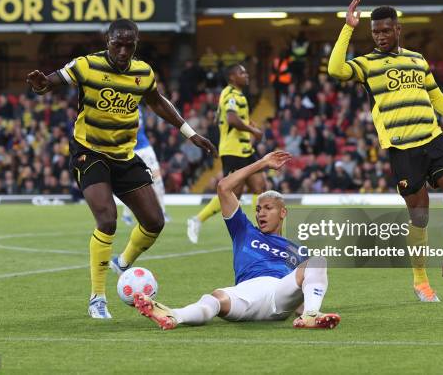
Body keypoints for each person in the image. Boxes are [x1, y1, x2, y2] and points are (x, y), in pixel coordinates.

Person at [26, 19, 217, 319]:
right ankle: (97, 297)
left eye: (130, 45)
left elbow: (157, 102)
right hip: (89, 152)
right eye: (119, 44)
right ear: (108, 40)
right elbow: (50, 82)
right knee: (107, 219)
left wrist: (190, 133)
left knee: (154, 222)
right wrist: (40, 86)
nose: (124, 50)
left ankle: (122, 262)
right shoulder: (85, 65)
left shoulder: (143, 72)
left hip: (124, 155)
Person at [328, 0, 443, 302]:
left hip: (433, 139)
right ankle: (420, 280)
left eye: (386, 31)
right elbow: (335, 70)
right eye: (375, 32)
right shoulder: (367, 64)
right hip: (402, 149)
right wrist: (348, 29)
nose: (380, 36)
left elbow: (435, 94)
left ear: (398, 29)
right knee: (420, 218)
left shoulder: (418, 59)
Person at [134, 151, 340, 330]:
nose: (261, 214)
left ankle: (312, 315)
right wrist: (262, 164)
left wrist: (303, 308)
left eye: (268, 208)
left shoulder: (298, 250)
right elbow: (224, 187)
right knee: (214, 299)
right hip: (246, 294)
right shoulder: (244, 230)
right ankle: (173, 316)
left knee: (317, 260)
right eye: (259, 209)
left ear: (283, 212)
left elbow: (300, 293)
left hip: (278, 293)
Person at [187, 64, 265, 244]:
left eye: (245, 71)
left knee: (258, 186)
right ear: (231, 77)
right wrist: (253, 131)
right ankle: (197, 219)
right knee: (234, 193)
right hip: (234, 150)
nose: (246, 74)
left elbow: (221, 118)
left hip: (242, 149)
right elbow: (231, 119)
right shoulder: (231, 94)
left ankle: (261, 232)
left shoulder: (231, 93)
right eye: (241, 72)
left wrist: (247, 123)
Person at [121, 104, 170, 225]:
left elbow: (135, 128)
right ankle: (126, 215)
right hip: (130, 150)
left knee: (157, 181)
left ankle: (162, 212)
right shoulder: (119, 104)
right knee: (131, 184)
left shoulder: (133, 105)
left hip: (144, 148)